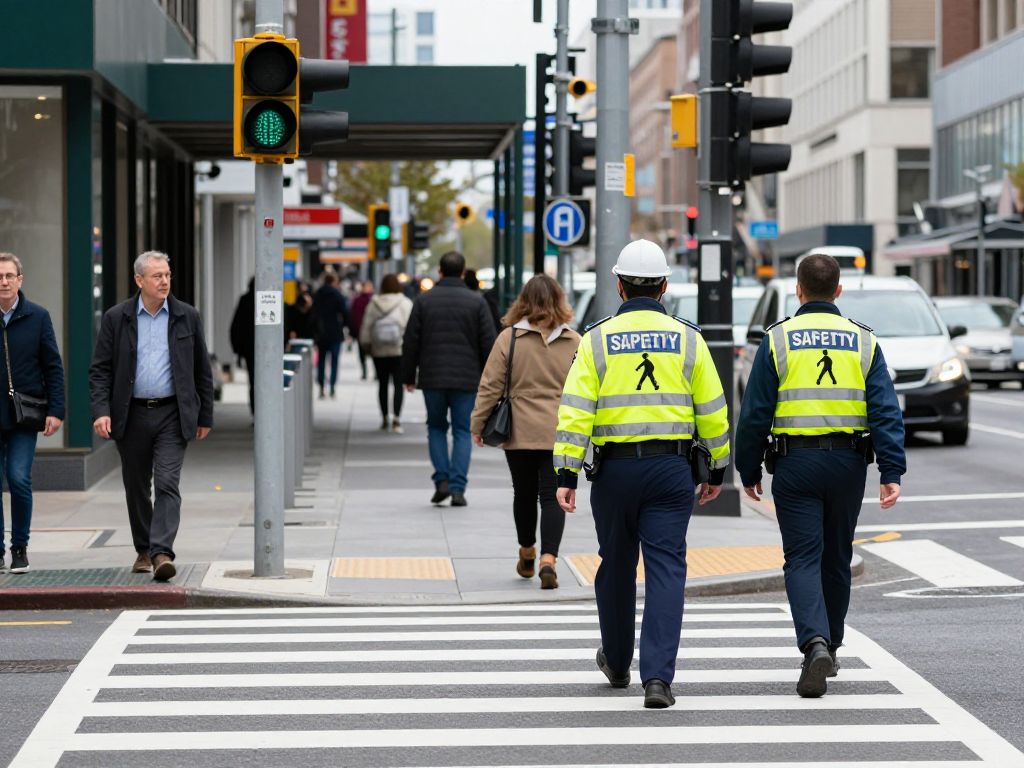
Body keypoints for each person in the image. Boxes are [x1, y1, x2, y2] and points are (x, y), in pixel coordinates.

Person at [553, 239, 730, 709]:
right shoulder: (688, 338)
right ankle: (658, 680)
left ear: (618, 285)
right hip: (671, 471)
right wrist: (717, 466)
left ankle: (615, 660)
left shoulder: (595, 339)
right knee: (667, 568)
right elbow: (713, 409)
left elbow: (575, 412)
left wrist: (566, 473)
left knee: (614, 566)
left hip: (613, 474)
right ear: (666, 286)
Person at [735, 253, 905, 699]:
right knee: (837, 556)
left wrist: (747, 468)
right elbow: (885, 411)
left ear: (798, 289)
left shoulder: (778, 341)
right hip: (848, 464)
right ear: (839, 291)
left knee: (803, 558)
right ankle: (830, 640)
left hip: (795, 464)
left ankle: (813, 644)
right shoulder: (864, 342)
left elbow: (755, 414)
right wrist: (892, 469)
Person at [89, 251, 215, 582]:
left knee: (167, 482)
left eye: (167, 275)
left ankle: (161, 553)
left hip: (172, 413)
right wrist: (101, 412)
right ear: (139, 281)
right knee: (136, 484)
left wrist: (205, 414)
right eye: (157, 276)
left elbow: (202, 368)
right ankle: (143, 548)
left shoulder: (187, 316)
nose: (164, 281)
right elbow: (100, 370)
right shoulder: (117, 318)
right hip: (130, 415)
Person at [471, 275, 580, 589]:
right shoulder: (574, 341)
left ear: (524, 302)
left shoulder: (511, 338)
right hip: (560, 430)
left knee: (523, 493)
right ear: (560, 300)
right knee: (551, 496)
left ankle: (527, 551)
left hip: (518, 430)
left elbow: (490, 386)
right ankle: (550, 559)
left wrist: (478, 424)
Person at [402, 251, 496, 507]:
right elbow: (488, 344)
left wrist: (409, 376)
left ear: (440, 273)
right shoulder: (477, 302)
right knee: (463, 430)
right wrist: (491, 380)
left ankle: (441, 480)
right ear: (463, 273)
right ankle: (457, 488)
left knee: (435, 427)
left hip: (432, 376)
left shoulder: (424, 301)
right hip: (467, 379)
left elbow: (411, 341)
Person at [0, 253, 65, 574]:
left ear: (20, 280)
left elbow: (53, 366)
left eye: (10, 275)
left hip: (22, 415)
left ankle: (19, 548)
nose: (4, 281)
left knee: (18, 479)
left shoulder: (38, 317)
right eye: (0, 276)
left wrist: (56, 410)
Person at [360, 273, 413, 433]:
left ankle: (384, 418)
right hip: (399, 349)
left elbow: (366, 326)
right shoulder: (405, 303)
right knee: (398, 384)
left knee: (382, 384)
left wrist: (366, 344)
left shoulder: (374, 303)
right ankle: (396, 418)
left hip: (379, 350)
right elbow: (411, 327)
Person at [313, 270, 350, 399]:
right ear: (334, 282)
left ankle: (321, 387)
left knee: (321, 361)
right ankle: (333, 387)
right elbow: (345, 313)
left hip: (321, 332)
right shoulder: (337, 295)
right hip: (335, 332)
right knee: (334, 361)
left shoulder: (318, 294)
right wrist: (346, 327)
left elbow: (313, 313)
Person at [229, 278, 255, 414]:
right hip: (264, 350)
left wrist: (237, 350)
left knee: (253, 381)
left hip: (249, 349)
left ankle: (255, 412)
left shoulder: (245, 300)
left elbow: (236, 326)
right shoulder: (270, 300)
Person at [348, 279, 375, 380]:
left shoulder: (374, 299)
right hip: (360, 331)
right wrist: (352, 332)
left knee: (374, 353)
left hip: (373, 331)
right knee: (361, 353)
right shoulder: (357, 300)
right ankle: (364, 371)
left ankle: (375, 372)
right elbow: (353, 316)